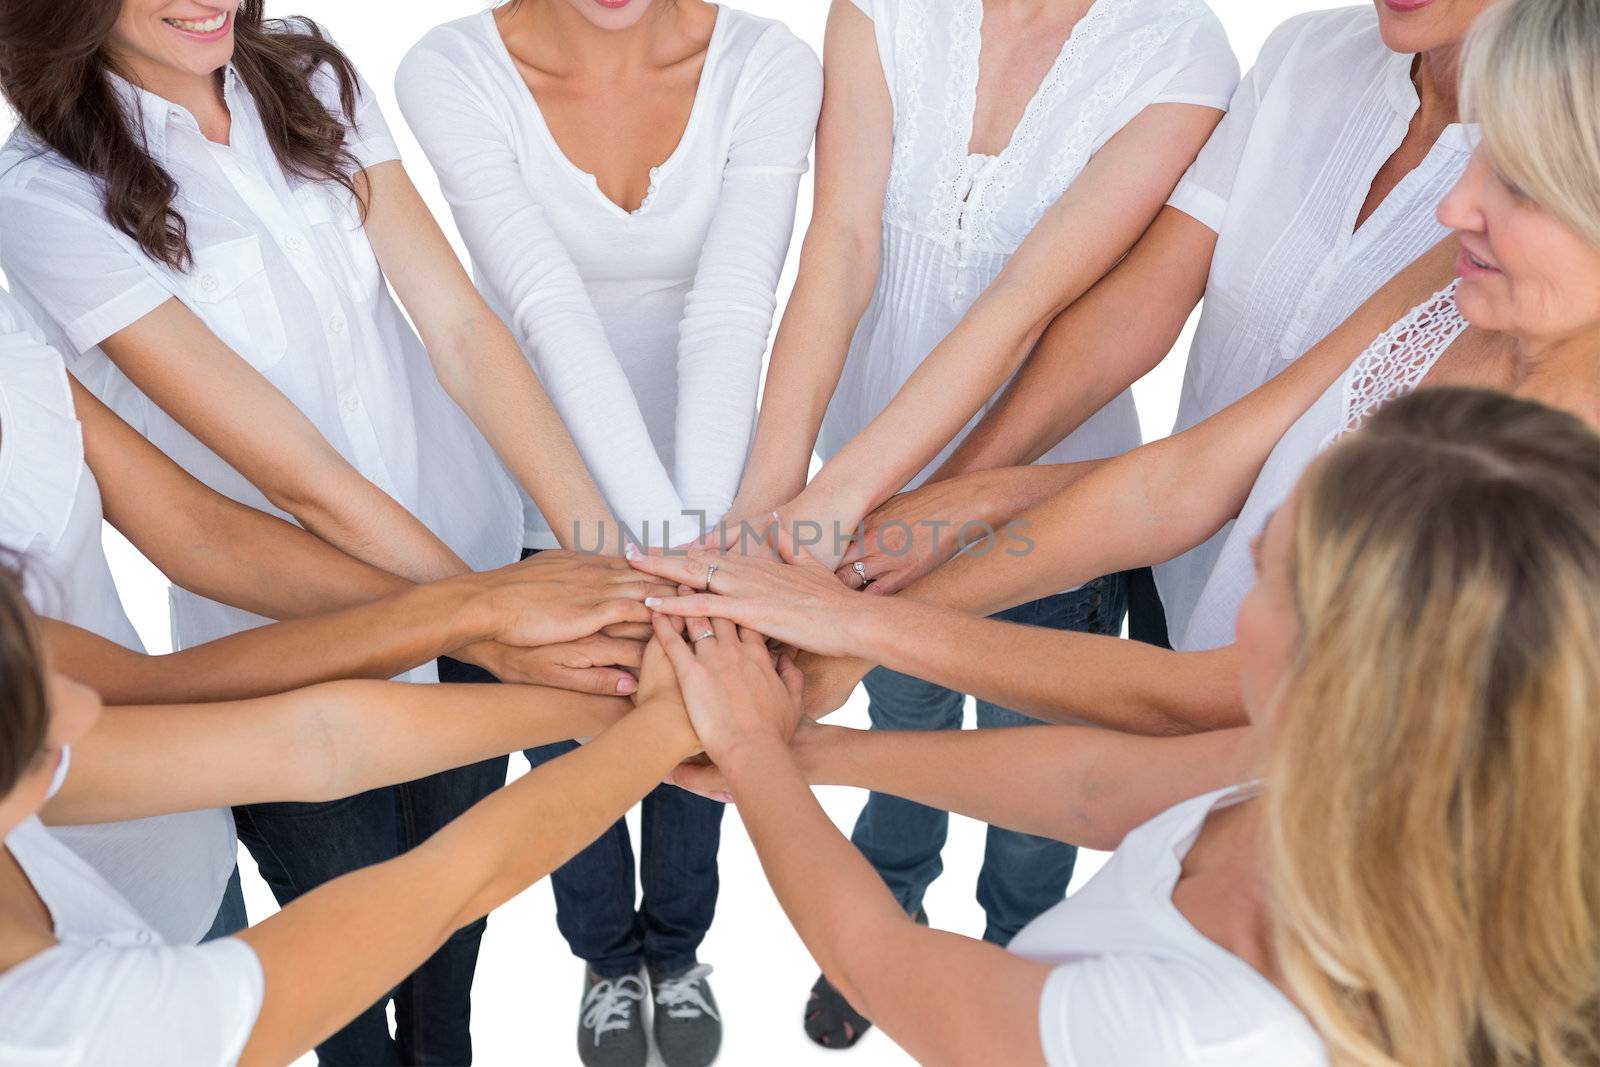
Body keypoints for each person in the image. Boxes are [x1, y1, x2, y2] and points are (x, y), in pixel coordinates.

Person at [0, 2, 626, 1060]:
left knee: (452, 904)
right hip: (291, 628)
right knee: (339, 952)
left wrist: (605, 556)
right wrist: (490, 622)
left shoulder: (307, 70)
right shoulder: (48, 195)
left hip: (470, 549)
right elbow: (300, 477)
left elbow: (462, 327)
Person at [655, 385, 1600, 1066]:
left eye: (1266, 575)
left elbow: (890, 969)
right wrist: (818, 751)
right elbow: (1100, 789)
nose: (1231, 601)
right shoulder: (1386, 764)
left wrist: (749, 747)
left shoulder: (1213, 1032)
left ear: (1346, 657)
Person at [687, 0, 1239, 1043]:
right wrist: (778, 495)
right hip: (851, 512)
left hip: (1049, 505)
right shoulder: (881, 10)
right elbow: (839, 243)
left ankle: (1019, 947)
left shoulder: (1179, 48)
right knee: (905, 718)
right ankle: (890, 909)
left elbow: (1025, 302)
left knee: (1034, 750)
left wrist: (900, 507)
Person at [396, 1, 820, 1059]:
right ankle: (601, 954)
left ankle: (674, 949)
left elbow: (733, 309)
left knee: (699, 729)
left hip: (713, 492)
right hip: (537, 492)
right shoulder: (448, 69)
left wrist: (695, 554)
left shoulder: (768, 62)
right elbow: (545, 308)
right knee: (572, 739)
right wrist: (664, 558)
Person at [0, 286, 665, 949]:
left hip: (183, 862)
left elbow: (200, 535)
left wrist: (589, 691)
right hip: (77, 923)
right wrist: (482, 615)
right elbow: (136, 700)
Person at [841, 0, 1498, 647]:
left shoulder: (1557, 189)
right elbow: (1137, 307)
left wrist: (978, 506)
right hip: (1174, 576)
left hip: (1342, 638)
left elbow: (1278, 461)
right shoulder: (1307, 54)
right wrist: (955, 491)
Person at [0, 564, 716, 1067]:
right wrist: (667, 730)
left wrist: (624, 708)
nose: (91, 704)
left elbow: (318, 741)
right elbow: (452, 880)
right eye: (44, 704)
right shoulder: (65, 1032)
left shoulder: (30, 760)